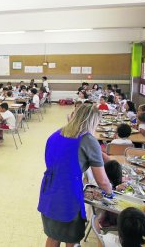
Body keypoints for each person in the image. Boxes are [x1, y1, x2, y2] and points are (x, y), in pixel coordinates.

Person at [38, 104, 113, 247]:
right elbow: (102, 180)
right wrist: (111, 194)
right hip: (68, 195)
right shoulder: (88, 140)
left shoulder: (56, 134)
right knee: (71, 239)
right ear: (93, 121)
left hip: (49, 190)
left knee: (53, 235)